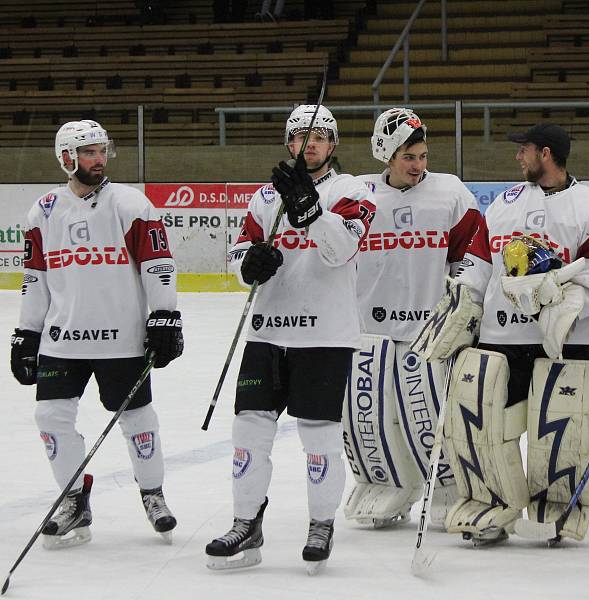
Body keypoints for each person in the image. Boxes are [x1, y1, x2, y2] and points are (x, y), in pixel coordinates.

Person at [413, 123, 589, 545]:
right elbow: (477, 259)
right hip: (502, 339)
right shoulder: (505, 203)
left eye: (523, 150)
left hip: (569, 342)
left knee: (562, 433)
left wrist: (571, 297)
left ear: (546, 154)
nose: (517, 157)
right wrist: (465, 300)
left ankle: (558, 507)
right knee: (486, 428)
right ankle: (493, 507)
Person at [204, 105, 376, 574]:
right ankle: (246, 521)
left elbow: (341, 249)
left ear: (334, 145)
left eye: (321, 136)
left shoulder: (352, 190)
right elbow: (239, 250)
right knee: (248, 430)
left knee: (319, 434)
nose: (311, 144)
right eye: (302, 136)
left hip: (326, 334)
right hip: (268, 332)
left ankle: (320, 524)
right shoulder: (264, 195)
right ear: (289, 144)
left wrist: (309, 209)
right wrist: (248, 263)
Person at [10, 120, 183, 549]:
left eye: (102, 150)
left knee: (138, 419)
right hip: (61, 340)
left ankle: (153, 494)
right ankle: (74, 499)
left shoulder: (131, 204)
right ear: (66, 157)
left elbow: (158, 264)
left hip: (121, 339)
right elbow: (35, 278)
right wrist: (26, 334)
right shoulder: (44, 210)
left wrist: (165, 316)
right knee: (50, 418)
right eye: (89, 152)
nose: (99, 159)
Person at [342, 108, 482, 529]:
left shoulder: (450, 192)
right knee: (366, 413)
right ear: (386, 153)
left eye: (422, 156)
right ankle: (384, 483)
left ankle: (447, 488)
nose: (419, 166)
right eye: (409, 157)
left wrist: (464, 297)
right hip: (368, 329)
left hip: (429, 330)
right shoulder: (359, 194)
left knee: (428, 413)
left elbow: (472, 252)